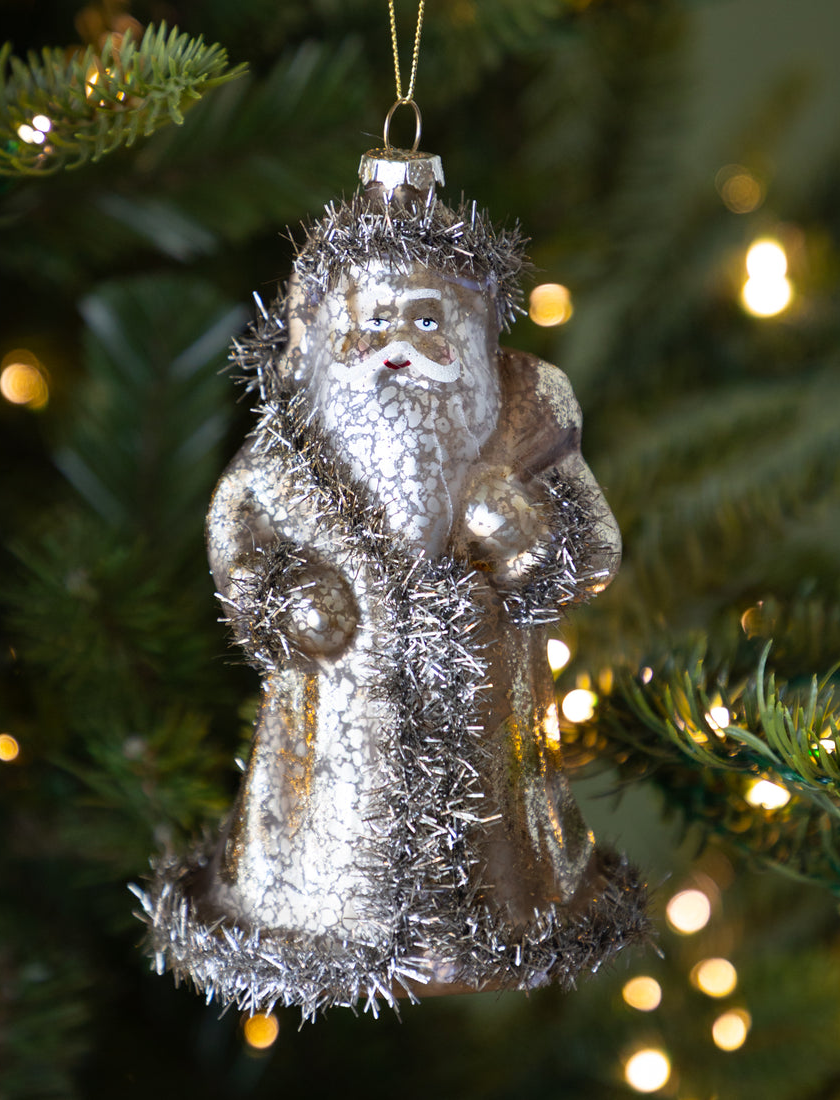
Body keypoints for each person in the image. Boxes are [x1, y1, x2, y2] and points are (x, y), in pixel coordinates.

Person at [141, 160, 646, 1018]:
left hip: (490, 717)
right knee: (334, 847)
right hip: (328, 740)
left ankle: (484, 925)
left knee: (490, 839)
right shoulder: (299, 431)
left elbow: (594, 550)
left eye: (426, 318)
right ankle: (321, 922)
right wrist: (281, 597)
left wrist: (528, 541)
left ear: (479, 330)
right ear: (328, 330)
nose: (398, 344)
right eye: (372, 320)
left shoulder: (528, 410)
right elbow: (237, 531)